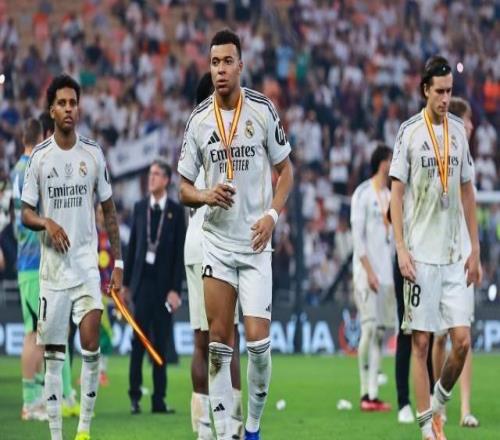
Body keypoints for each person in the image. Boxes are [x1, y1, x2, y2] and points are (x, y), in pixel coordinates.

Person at [178, 29, 294, 440]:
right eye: (215, 63)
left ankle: (253, 427)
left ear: (241, 65)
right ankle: (226, 431)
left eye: (228, 61)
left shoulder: (262, 109)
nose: (221, 69)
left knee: (258, 346)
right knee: (218, 343)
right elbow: (183, 187)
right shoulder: (198, 120)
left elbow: (286, 172)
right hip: (216, 243)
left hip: (256, 244)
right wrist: (205, 194)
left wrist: (272, 216)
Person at [21, 74, 123, 440]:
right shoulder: (40, 158)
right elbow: (25, 213)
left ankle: (83, 430)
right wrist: (46, 222)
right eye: (62, 103)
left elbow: (109, 210)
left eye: (73, 103)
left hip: (85, 268)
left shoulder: (92, 153)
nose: (69, 109)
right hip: (52, 273)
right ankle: (56, 434)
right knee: (53, 355)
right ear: (51, 110)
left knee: (91, 342)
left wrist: (118, 263)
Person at [389, 56, 480, 440]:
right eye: (439, 92)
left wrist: (475, 249)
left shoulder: (458, 131)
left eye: (449, 92)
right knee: (421, 342)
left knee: (461, 342)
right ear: (425, 90)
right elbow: (396, 193)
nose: (445, 99)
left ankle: (439, 402)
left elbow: (467, 190)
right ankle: (427, 428)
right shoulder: (409, 132)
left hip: (454, 256)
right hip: (421, 256)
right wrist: (400, 248)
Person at [187, 72, 243, 439]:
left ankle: (205, 428)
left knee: (202, 340)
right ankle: (232, 426)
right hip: (216, 240)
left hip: (197, 241)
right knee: (227, 339)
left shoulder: (191, 132)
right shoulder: (218, 132)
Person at [431, 96, 481, 428]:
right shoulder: (436, 153)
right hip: (436, 256)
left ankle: (464, 408)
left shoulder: (465, 157)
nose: (472, 126)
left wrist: (475, 251)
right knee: (438, 337)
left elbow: (469, 202)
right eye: (468, 120)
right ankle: (440, 406)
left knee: (463, 336)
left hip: (461, 257)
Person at [123, 158, 184, 415]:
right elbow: (133, 248)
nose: (151, 178)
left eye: (157, 174)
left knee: (161, 343)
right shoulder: (139, 208)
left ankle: (159, 399)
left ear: (167, 180)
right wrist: (126, 285)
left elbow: (179, 255)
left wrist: (176, 290)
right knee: (138, 341)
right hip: (142, 286)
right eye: (150, 174)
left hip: (164, 288)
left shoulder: (176, 212)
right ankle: (134, 397)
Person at [39, 110, 81, 418]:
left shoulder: (76, 162)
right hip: (47, 267)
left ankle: (64, 393)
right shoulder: (37, 166)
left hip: (74, 263)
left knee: (66, 334)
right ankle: (53, 397)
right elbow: (27, 215)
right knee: (51, 338)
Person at [351, 145, 395, 412]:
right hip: (366, 275)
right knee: (368, 329)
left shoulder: (391, 195)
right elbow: (358, 238)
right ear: (382, 163)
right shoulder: (363, 194)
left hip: (386, 277)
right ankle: (364, 392)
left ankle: (374, 394)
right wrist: (368, 272)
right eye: (391, 160)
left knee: (379, 333)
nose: (393, 164)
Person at [11, 118, 47, 421]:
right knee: (35, 333)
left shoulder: (15, 170)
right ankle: (30, 402)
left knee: (36, 332)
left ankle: (36, 398)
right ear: (42, 137)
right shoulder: (31, 169)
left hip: (26, 259)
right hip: (34, 262)